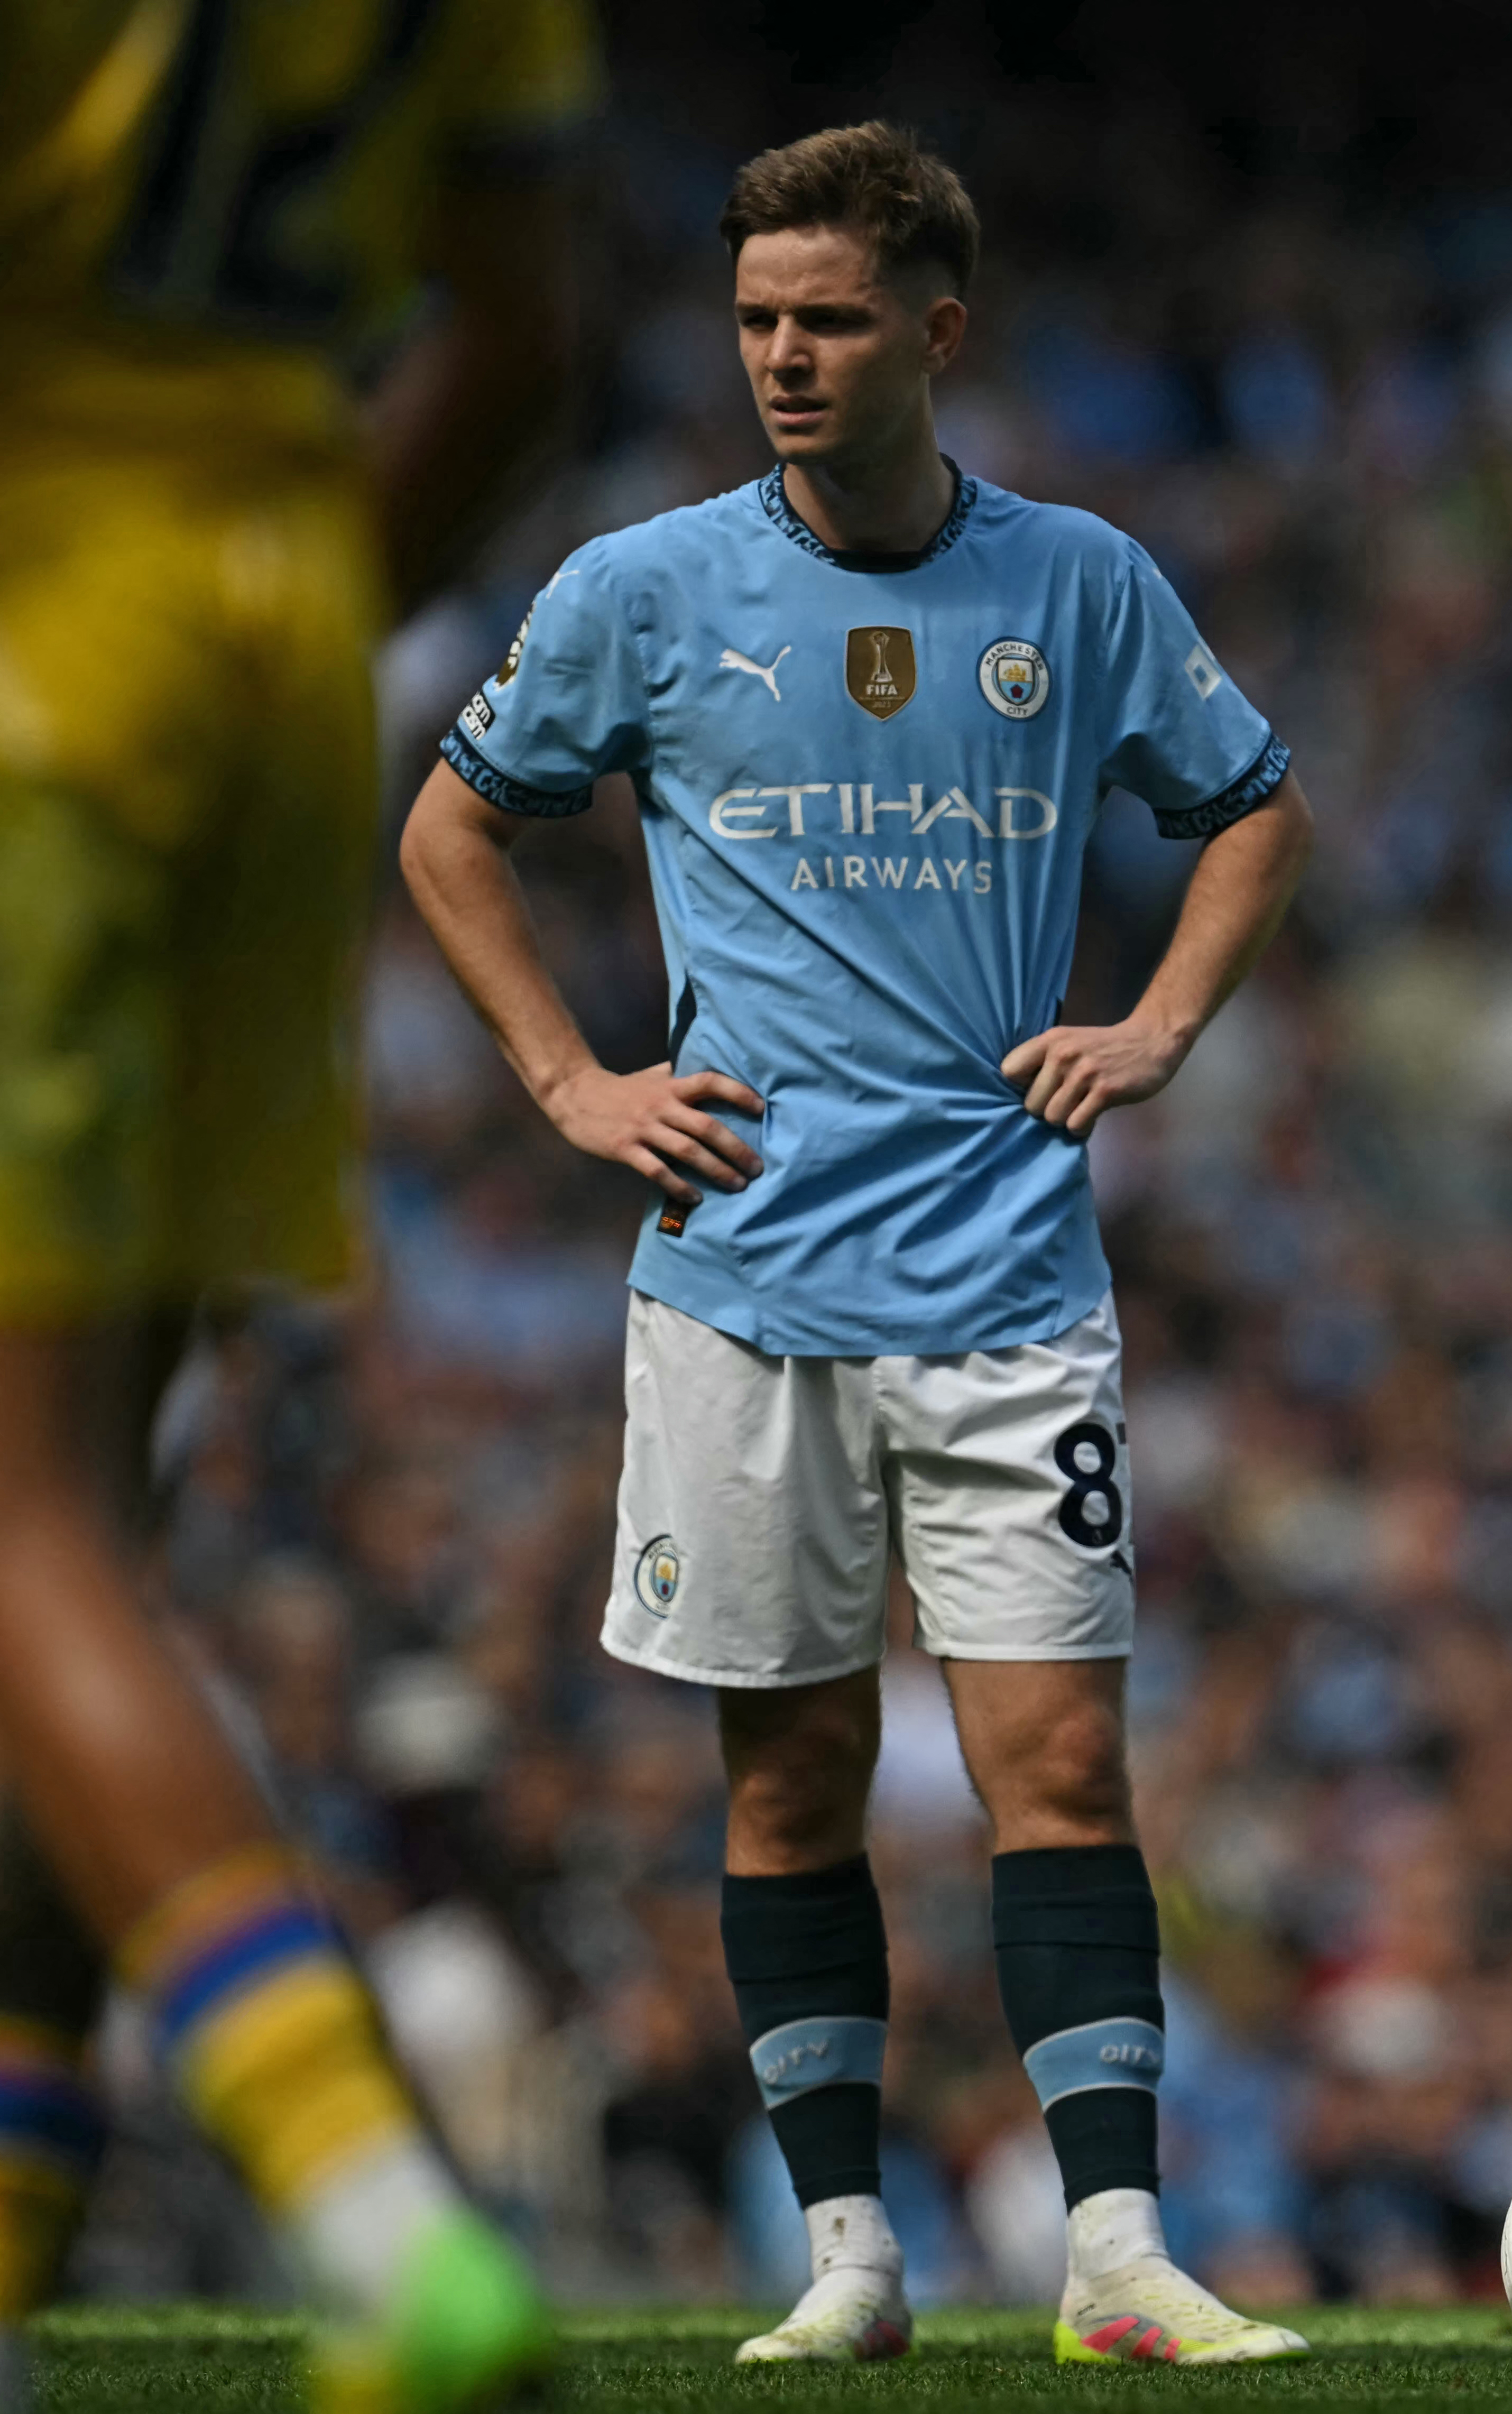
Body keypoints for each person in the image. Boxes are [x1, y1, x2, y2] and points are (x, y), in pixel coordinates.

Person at [396, 123, 1315, 2370]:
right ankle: (852, 2257)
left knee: (1064, 1775)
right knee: (790, 1780)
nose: (783, 357)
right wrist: (570, 1081)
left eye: (824, 318)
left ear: (935, 330)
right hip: (741, 1285)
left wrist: (1162, 1018)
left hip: (1008, 1280)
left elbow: (1252, 804)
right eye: (754, 320)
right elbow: (450, 825)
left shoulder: (1079, 585)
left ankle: (1114, 2253)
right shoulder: (641, 584)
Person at [0, 6, 597, 2407]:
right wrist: (317, 602)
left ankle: (379, 2222)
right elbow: (533, 330)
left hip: (37, 609)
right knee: (75, 1556)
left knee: (12, 1522)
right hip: (280, 618)